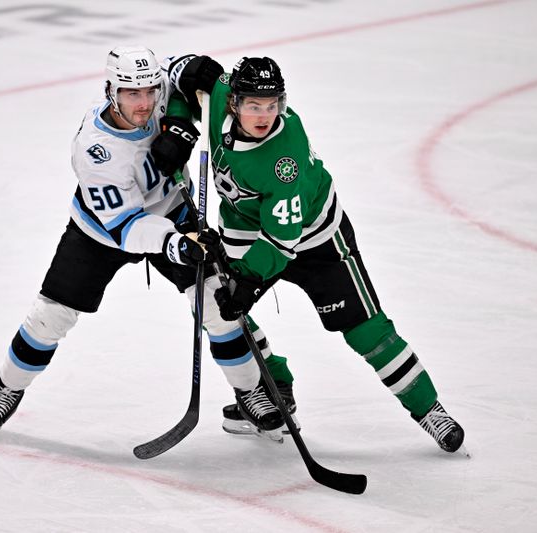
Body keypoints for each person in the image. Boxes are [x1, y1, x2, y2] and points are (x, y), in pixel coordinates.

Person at [0, 46, 295, 442]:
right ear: (111, 91)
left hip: (174, 213)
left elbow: (180, 73)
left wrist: (186, 93)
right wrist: (176, 245)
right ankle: (9, 388)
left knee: (217, 306)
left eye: (149, 92)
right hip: (101, 233)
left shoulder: (153, 92)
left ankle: (249, 390)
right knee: (50, 317)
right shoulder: (96, 151)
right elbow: (126, 228)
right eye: (132, 94)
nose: (144, 103)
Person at [153, 55, 466, 453]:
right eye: (254, 106)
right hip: (245, 228)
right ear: (233, 101)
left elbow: (282, 239)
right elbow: (171, 75)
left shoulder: (286, 158)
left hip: (316, 240)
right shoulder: (217, 94)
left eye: (272, 106)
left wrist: (248, 281)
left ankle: (429, 410)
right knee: (219, 308)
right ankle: (275, 385)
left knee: (365, 329)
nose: (265, 115)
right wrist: (178, 126)